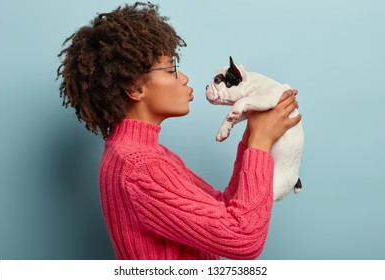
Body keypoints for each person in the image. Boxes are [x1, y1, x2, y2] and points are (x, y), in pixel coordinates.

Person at [57, 2, 301, 260]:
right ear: (135, 88)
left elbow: (225, 209)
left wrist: (253, 135)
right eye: (171, 69)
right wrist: (260, 144)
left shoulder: (144, 155)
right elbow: (243, 239)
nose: (183, 77)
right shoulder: (141, 168)